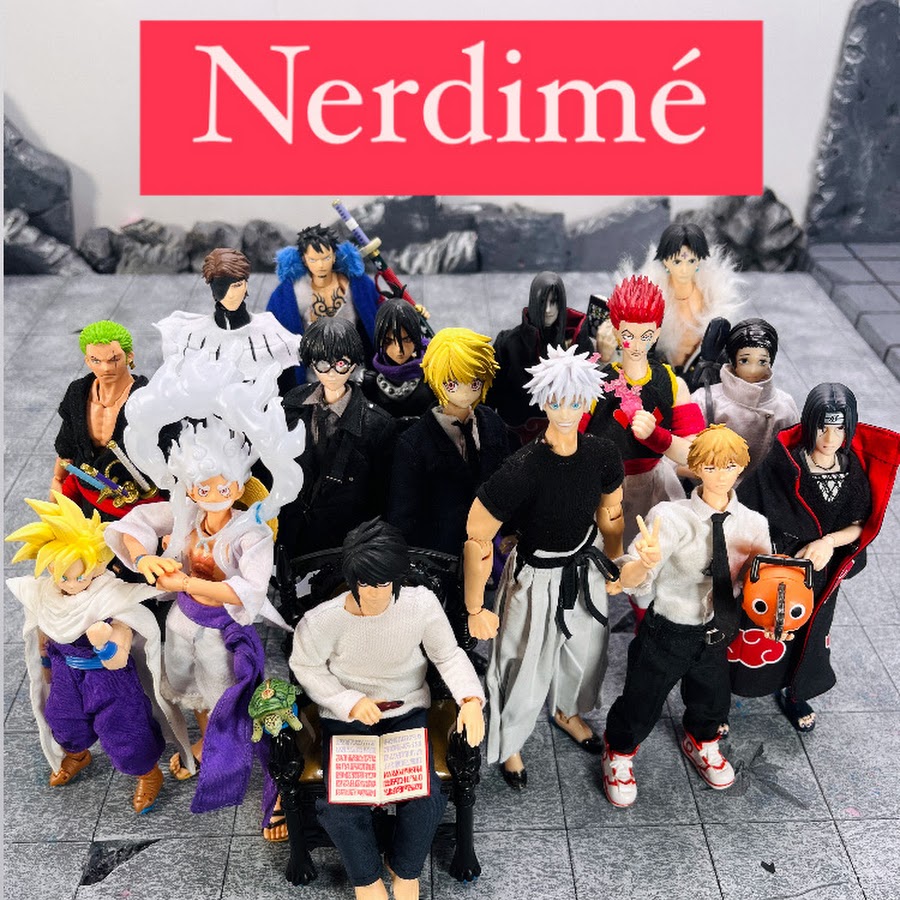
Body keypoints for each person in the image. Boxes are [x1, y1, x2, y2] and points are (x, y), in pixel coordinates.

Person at [105, 354, 304, 827]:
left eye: (221, 488)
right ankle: (202, 740)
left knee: (225, 695)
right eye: (201, 488)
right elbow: (134, 524)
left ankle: (232, 755)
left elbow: (248, 589)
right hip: (182, 619)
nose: (211, 496)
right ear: (190, 488)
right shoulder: (186, 514)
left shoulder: (251, 531)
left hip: (221, 629)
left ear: (238, 485)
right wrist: (144, 558)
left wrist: (186, 581)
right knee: (183, 685)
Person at [290, 518, 485, 900]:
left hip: (406, 710)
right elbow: (305, 667)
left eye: (384, 584)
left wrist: (470, 699)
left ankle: (405, 869)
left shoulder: (420, 604)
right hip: (347, 718)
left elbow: (447, 655)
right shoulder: (322, 621)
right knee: (341, 804)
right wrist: (348, 701)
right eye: (366, 584)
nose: (376, 594)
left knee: (425, 796)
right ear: (353, 581)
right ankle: (366, 879)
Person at [464, 345, 624, 789]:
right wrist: (475, 606)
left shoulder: (602, 453)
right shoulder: (523, 467)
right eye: (557, 401)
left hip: (586, 567)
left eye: (575, 401)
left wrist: (616, 563)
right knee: (521, 662)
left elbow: (611, 511)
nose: (567, 411)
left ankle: (567, 710)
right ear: (543, 401)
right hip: (536, 576)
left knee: (586, 651)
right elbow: (478, 535)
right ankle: (510, 739)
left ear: (588, 400)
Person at [600, 425, 771, 808]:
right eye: (710, 467)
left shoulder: (754, 524)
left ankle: (702, 739)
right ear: (695, 468)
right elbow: (634, 578)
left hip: (718, 628)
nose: (721, 475)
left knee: (712, 695)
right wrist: (642, 564)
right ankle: (619, 751)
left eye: (729, 466)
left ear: (741, 467)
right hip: (669, 627)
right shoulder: (671, 517)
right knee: (642, 698)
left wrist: (774, 620)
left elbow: (761, 583)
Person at [5, 493, 192, 814]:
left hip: (108, 678)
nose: (71, 583)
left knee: (124, 729)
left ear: (97, 567)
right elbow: (43, 632)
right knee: (62, 719)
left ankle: (148, 773)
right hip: (66, 671)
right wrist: (46, 664)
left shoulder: (109, 596)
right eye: (63, 575)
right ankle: (77, 753)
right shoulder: (45, 594)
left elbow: (120, 650)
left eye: (80, 575)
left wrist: (106, 642)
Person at [731, 383, 900, 731]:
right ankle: (725, 693)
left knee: (810, 634)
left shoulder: (851, 470)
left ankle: (795, 692)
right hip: (774, 563)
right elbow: (747, 507)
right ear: (809, 424)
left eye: (839, 428)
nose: (830, 437)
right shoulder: (785, 463)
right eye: (822, 427)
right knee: (759, 625)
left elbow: (859, 524)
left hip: (821, 571)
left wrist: (828, 542)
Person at [587, 275, 705, 549]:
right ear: (616, 331)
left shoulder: (672, 384)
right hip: (603, 488)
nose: (638, 344)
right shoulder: (594, 383)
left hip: (655, 486)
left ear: (657, 332)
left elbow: (696, 455)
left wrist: (657, 437)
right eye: (629, 335)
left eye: (646, 335)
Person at [279, 317, 396, 558]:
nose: (331, 373)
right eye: (323, 364)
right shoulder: (291, 404)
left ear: (353, 365)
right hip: (291, 537)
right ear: (312, 363)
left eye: (341, 364)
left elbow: (381, 498)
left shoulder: (377, 425)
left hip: (343, 544)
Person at [387, 327, 509, 557]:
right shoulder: (413, 444)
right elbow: (403, 516)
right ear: (436, 380)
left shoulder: (492, 423)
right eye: (452, 384)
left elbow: (507, 481)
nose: (465, 392)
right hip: (441, 554)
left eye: (474, 383)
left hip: (490, 547)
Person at [52, 320, 160, 521]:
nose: (106, 368)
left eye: (114, 359)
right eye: (96, 360)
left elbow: (168, 450)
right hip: (89, 491)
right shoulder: (78, 393)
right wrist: (58, 479)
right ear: (87, 361)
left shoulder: (148, 399)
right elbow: (67, 443)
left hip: (136, 500)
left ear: (129, 356)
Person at [155, 247, 301, 394]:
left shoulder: (270, 333)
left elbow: (288, 391)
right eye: (221, 287)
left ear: (245, 285)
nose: (231, 295)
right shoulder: (192, 337)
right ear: (212, 288)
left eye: (237, 286)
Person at [620, 223, 743, 382]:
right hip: (658, 375)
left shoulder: (711, 298)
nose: (684, 269)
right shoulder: (649, 297)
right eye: (677, 261)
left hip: (701, 378)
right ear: (665, 260)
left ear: (699, 260)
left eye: (691, 261)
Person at [488, 271, 594, 447]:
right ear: (533, 302)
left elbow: (590, 395)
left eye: (554, 302)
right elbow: (490, 396)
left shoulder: (577, 342)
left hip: (566, 435)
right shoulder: (508, 344)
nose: (548, 310)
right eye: (543, 302)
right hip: (517, 439)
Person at [268, 224, 382, 385]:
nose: (320, 265)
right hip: (313, 376)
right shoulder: (291, 293)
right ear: (304, 260)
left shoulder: (357, 285)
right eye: (313, 260)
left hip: (355, 372)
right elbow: (273, 334)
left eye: (326, 258)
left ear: (334, 256)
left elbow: (380, 315)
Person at [691, 318, 800, 480]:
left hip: (762, 489)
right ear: (733, 359)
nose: (753, 369)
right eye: (744, 360)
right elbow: (687, 452)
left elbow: (792, 457)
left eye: (762, 361)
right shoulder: (705, 400)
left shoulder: (784, 406)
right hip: (712, 485)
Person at [361, 298, 434, 422]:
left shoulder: (432, 372)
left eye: (407, 340)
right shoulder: (369, 381)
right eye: (388, 341)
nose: (399, 350)